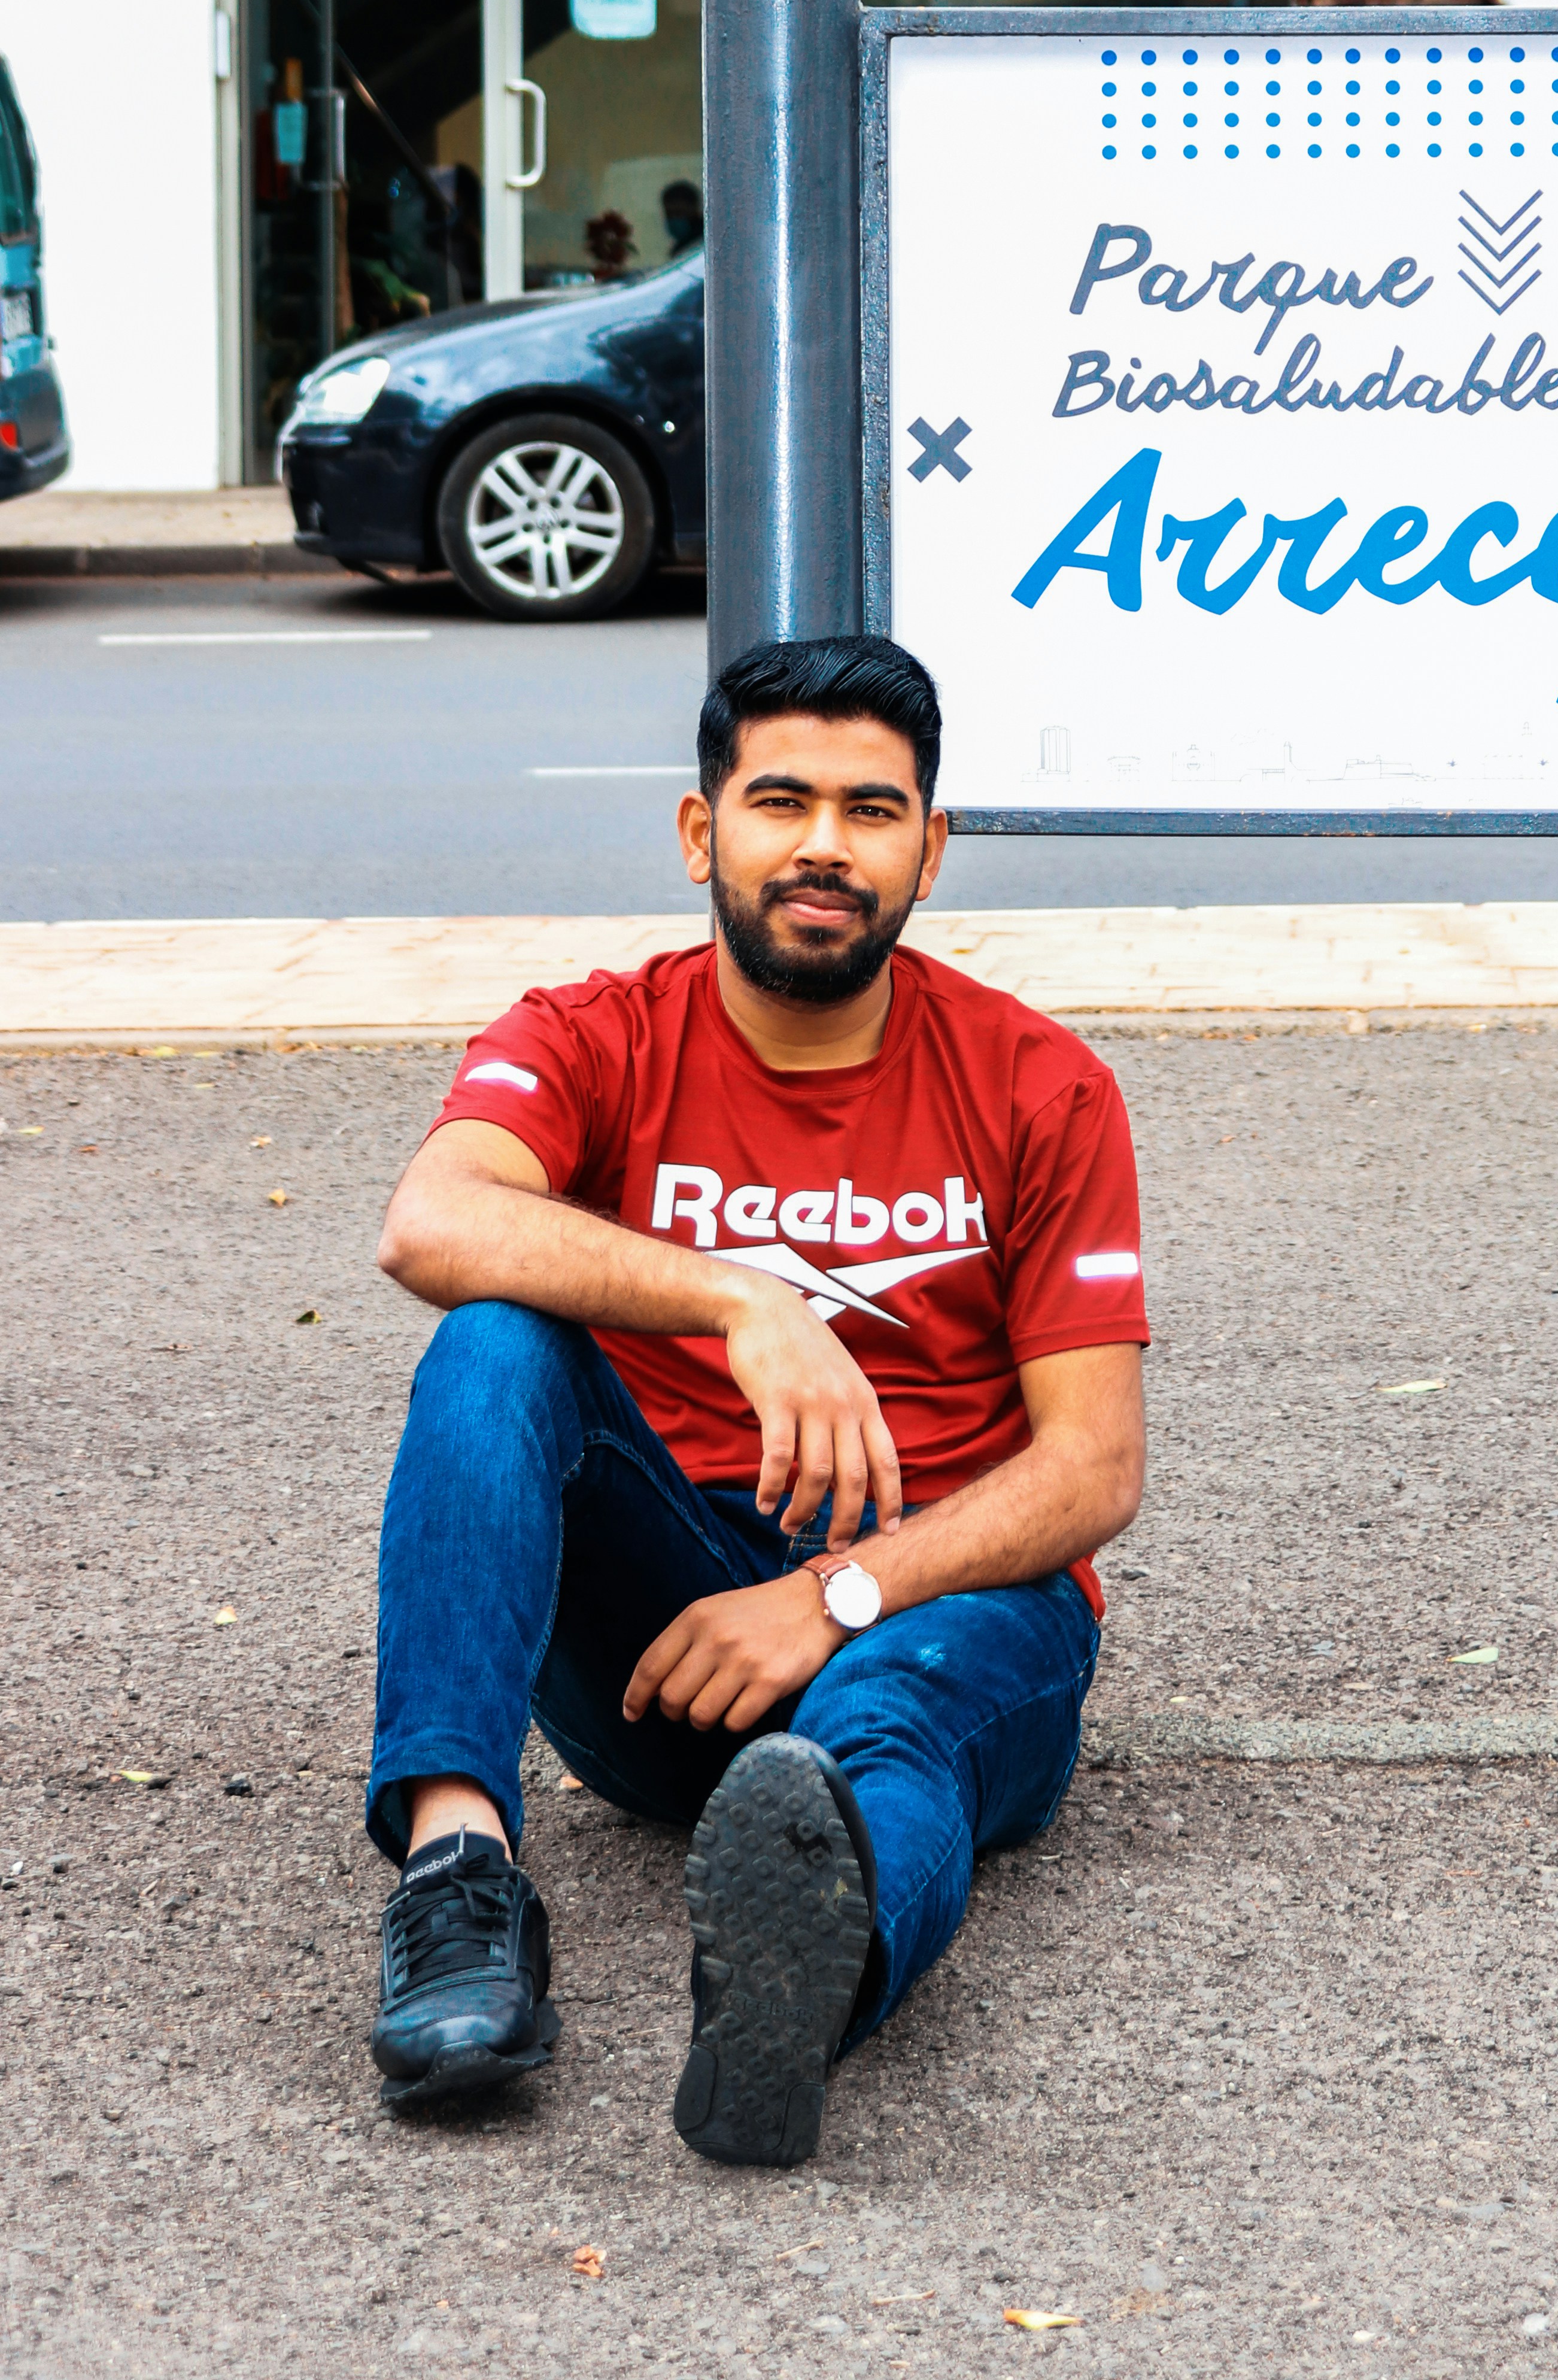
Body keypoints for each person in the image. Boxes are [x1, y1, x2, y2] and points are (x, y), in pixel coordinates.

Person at [360, 634, 1148, 2166]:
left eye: (871, 811)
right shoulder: (596, 1033)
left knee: (886, 1718)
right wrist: (741, 1295)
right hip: (668, 1658)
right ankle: (455, 1884)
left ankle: (799, 1998)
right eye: (780, 801)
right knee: (493, 1342)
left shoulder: (1040, 1084)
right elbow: (428, 1225)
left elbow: (1093, 1467)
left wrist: (834, 1595)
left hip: (948, 1604)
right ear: (699, 830)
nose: (823, 849)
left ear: (931, 849)